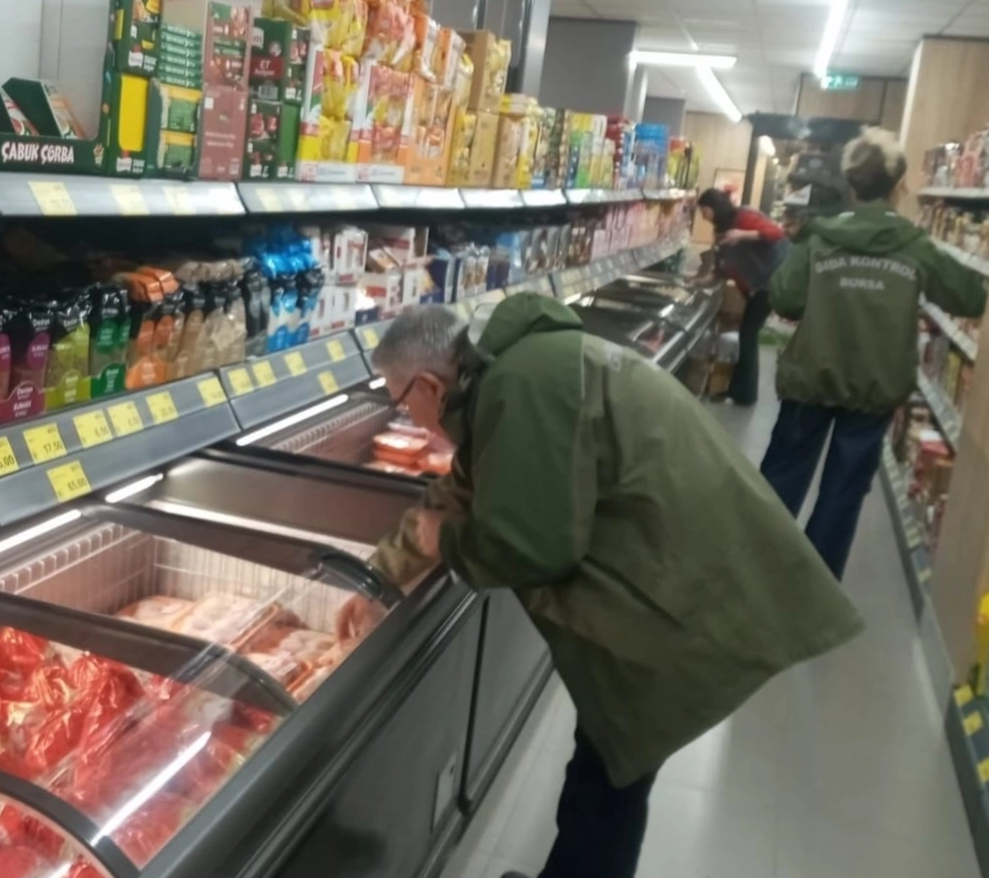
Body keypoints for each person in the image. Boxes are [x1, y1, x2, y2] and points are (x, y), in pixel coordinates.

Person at [340, 294, 863, 878]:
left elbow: (532, 547)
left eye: (400, 402)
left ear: (429, 386)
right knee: (604, 769)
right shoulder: (511, 373)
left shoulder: (521, 387)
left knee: (609, 778)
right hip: (675, 569)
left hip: (684, 593)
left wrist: (449, 542)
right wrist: (379, 577)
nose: (409, 418)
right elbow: (461, 487)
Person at [761, 128, 988, 579]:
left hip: (811, 377)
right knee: (843, 492)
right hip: (875, 386)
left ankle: (757, 573)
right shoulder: (915, 246)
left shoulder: (819, 239)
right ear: (899, 185)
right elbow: (970, 298)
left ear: (850, 184)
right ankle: (817, 592)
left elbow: (784, 297)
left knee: (783, 476)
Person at [696, 188, 788, 406]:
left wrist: (743, 234)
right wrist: (698, 281)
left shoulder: (744, 216)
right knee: (748, 335)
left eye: (704, 211)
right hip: (757, 289)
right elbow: (721, 269)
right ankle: (740, 391)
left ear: (713, 207)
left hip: (771, 283)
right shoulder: (721, 231)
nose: (703, 216)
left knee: (748, 335)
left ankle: (744, 393)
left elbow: (776, 233)